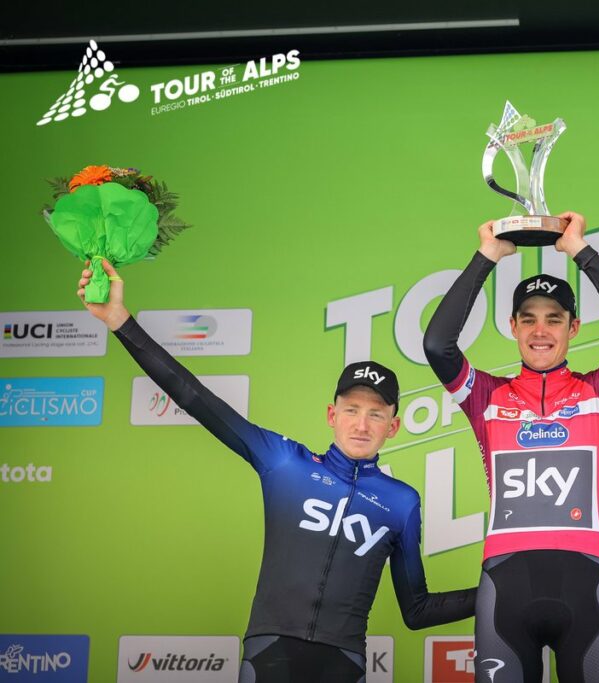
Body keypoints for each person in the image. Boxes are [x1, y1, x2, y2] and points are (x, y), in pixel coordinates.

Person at [78, 260, 476, 683]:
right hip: (271, 654)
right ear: (332, 415)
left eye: (376, 414)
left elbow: (417, 610)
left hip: (343, 663)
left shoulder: (402, 501)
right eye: (352, 410)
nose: (361, 425)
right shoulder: (285, 462)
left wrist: (499, 588)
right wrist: (120, 321)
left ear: (392, 427)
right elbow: (193, 396)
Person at [423, 212, 599, 682]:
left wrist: (578, 250)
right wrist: (488, 255)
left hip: (585, 586)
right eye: (528, 319)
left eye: (554, 319)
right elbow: (437, 344)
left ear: (574, 327)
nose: (540, 331)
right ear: (512, 326)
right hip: (505, 588)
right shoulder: (487, 397)